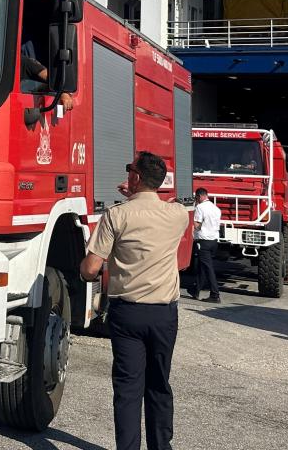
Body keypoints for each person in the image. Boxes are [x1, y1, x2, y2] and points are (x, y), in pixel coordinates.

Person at [80, 152, 188, 450]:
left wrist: (84, 271)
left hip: (127, 314)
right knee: (159, 385)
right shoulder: (178, 215)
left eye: (130, 170)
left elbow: (90, 268)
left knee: (128, 390)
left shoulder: (116, 216)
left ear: (135, 177)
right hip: (163, 315)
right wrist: (138, 194)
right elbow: (154, 209)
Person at [188, 188, 221, 302]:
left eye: (196, 198)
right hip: (214, 241)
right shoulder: (216, 208)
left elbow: (198, 225)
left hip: (203, 241)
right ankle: (196, 290)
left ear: (199, 196)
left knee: (208, 268)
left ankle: (215, 294)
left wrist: (191, 219)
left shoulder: (200, 207)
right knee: (202, 266)